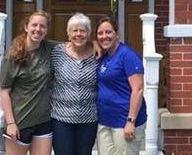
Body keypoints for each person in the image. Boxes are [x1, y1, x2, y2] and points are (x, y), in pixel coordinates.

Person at [0, 11, 56, 155]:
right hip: (20, 122)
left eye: (42, 26)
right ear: (26, 27)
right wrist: (11, 123)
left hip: (44, 120)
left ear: (46, 30)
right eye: (34, 25)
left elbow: (74, 46)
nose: (38, 29)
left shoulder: (49, 48)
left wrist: (94, 45)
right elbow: (4, 91)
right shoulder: (13, 54)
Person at [95, 16, 147, 155]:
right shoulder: (104, 56)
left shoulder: (127, 55)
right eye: (100, 33)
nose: (104, 36)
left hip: (124, 122)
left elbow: (138, 89)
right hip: (105, 120)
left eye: (108, 32)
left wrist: (131, 121)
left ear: (116, 34)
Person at [50, 12, 100, 155]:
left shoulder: (97, 55)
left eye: (83, 30)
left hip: (88, 118)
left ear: (89, 33)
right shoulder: (57, 52)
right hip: (61, 118)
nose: (79, 34)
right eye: (75, 30)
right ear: (68, 33)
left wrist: (96, 43)